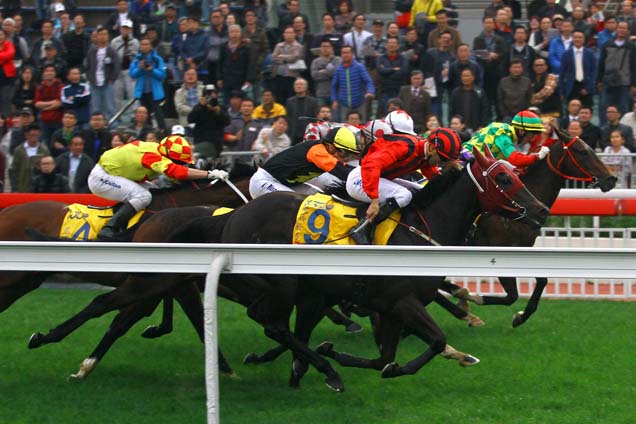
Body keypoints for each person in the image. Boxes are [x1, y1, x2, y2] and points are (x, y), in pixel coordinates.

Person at [346, 110, 462, 244]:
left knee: (421, 190)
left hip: (378, 177)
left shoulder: (425, 151)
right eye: (443, 159)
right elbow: (371, 164)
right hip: (361, 178)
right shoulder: (405, 146)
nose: (442, 162)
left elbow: (433, 176)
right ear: (431, 148)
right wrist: (374, 200)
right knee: (404, 195)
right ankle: (363, 227)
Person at [88, 135, 229, 238]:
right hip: (101, 177)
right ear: (168, 156)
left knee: (156, 193)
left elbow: (181, 168)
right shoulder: (152, 155)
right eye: (177, 162)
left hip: (118, 175)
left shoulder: (160, 150)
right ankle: (110, 227)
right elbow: (176, 172)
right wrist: (209, 174)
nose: (180, 164)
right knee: (143, 196)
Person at [249, 125, 360, 199]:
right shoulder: (317, 151)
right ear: (331, 147)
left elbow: (348, 169)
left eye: (348, 154)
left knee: (321, 200)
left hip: (285, 184)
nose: (345, 157)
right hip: (264, 182)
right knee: (295, 203)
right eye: (344, 153)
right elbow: (343, 173)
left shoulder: (329, 153)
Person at [464, 109, 550, 167]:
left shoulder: (507, 134)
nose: (532, 139)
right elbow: (515, 160)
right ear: (521, 131)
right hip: (465, 160)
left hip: (476, 164)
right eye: (532, 134)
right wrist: (537, 157)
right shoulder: (502, 133)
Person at [130, 37, 167, 132]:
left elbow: (162, 75)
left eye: (147, 44)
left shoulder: (157, 59)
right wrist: (140, 68)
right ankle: (147, 134)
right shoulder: (136, 59)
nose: (144, 46)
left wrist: (152, 70)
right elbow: (132, 74)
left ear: (150, 46)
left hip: (155, 92)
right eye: (142, 44)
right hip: (142, 92)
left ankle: (163, 133)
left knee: (159, 115)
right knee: (145, 116)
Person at [331, 45, 375, 122]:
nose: (345, 55)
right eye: (343, 53)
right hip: (344, 104)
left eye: (347, 53)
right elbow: (334, 86)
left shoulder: (359, 67)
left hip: (360, 102)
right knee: (345, 128)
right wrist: (334, 100)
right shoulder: (338, 69)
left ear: (352, 54)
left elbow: (368, 81)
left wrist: (370, 92)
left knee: (361, 126)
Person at [85, 27, 120, 121]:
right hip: (94, 83)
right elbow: (87, 65)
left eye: (105, 34)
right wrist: (90, 78)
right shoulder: (92, 51)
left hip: (107, 83)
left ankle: (112, 126)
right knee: (95, 107)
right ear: (97, 37)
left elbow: (116, 67)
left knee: (110, 107)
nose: (102, 37)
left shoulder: (112, 51)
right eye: (100, 34)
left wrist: (112, 79)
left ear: (108, 37)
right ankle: (96, 125)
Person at [187, 84, 231, 158]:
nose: (211, 97)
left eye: (213, 94)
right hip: (200, 140)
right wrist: (200, 106)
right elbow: (190, 119)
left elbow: (227, 121)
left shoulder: (221, 108)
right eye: (208, 94)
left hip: (215, 143)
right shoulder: (199, 108)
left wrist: (218, 112)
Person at [217, 24, 255, 105]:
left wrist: (248, 80)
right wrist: (219, 78)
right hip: (227, 80)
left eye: (237, 31)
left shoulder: (246, 47)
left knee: (242, 103)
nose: (235, 34)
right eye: (232, 32)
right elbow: (220, 63)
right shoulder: (224, 47)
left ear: (241, 33)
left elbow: (250, 64)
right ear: (229, 33)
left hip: (241, 81)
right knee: (226, 103)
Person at [559, 29, 596, 109]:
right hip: (571, 87)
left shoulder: (590, 54)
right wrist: (562, 91)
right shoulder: (566, 54)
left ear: (584, 39)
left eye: (580, 37)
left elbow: (594, 72)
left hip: (586, 86)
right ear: (572, 38)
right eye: (575, 37)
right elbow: (562, 74)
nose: (578, 40)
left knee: (586, 110)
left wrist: (588, 88)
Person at [111, 19, 139, 122]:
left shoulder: (135, 42)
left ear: (131, 30)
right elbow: (112, 56)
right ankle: (117, 116)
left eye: (127, 29)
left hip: (130, 71)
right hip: (118, 71)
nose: (125, 31)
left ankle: (133, 116)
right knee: (117, 95)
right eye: (124, 28)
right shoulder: (115, 41)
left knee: (132, 94)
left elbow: (138, 57)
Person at [11, 124, 51, 192]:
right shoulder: (19, 150)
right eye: (32, 135)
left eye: (36, 135)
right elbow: (15, 170)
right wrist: (15, 188)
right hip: (23, 187)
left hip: (40, 188)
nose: (34, 137)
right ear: (26, 135)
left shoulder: (44, 150)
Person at [449, 68, 489, 133]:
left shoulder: (479, 92)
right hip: (459, 129)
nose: (465, 78)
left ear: (473, 77)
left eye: (467, 76)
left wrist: (482, 125)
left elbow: (485, 110)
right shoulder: (455, 92)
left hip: (476, 129)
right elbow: (451, 110)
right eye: (463, 76)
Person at [34, 64, 64, 145]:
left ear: (55, 73)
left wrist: (45, 108)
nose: (49, 73)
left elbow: (59, 103)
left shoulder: (60, 86)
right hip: (44, 121)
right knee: (45, 143)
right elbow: (37, 103)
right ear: (43, 73)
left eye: (51, 71)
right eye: (47, 71)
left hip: (58, 119)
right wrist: (52, 102)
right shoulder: (40, 87)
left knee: (56, 143)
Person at [285, 78, 320, 145]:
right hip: (293, 134)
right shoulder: (290, 101)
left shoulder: (313, 101)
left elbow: (315, 118)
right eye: (296, 84)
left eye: (301, 84)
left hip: (308, 134)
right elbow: (288, 118)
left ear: (306, 87)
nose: (298, 86)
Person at [311, 39, 342, 106]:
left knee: (336, 116)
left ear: (331, 48)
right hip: (321, 94)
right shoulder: (315, 61)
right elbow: (314, 76)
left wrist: (322, 71)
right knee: (321, 115)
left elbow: (337, 74)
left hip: (336, 93)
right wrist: (330, 72)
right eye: (323, 46)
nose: (325, 49)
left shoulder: (338, 60)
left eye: (327, 46)